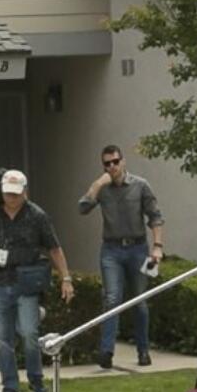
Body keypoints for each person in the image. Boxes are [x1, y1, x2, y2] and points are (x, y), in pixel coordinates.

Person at [0, 169, 75, 392]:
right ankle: (10, 388)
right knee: (3, 339)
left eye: (16, 194)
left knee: (28, 333)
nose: (11, 198)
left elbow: (54, 248)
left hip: (26, 283)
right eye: (7, 194)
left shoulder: (37, 215)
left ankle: (36, 383)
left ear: (25, 192)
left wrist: (66, 278)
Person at [78, 144, 165, 369]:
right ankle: (106, 352)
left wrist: (157, 246)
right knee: (112, 298)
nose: (112, 167)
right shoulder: (103, 188)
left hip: (137, 248)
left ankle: (143, 350)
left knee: (139, 302)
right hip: (111, 250)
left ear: (123, 161)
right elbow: (83, 208)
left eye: (116, 162)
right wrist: (97, 184)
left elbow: (155, 217)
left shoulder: (140, 185)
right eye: (107, 164)